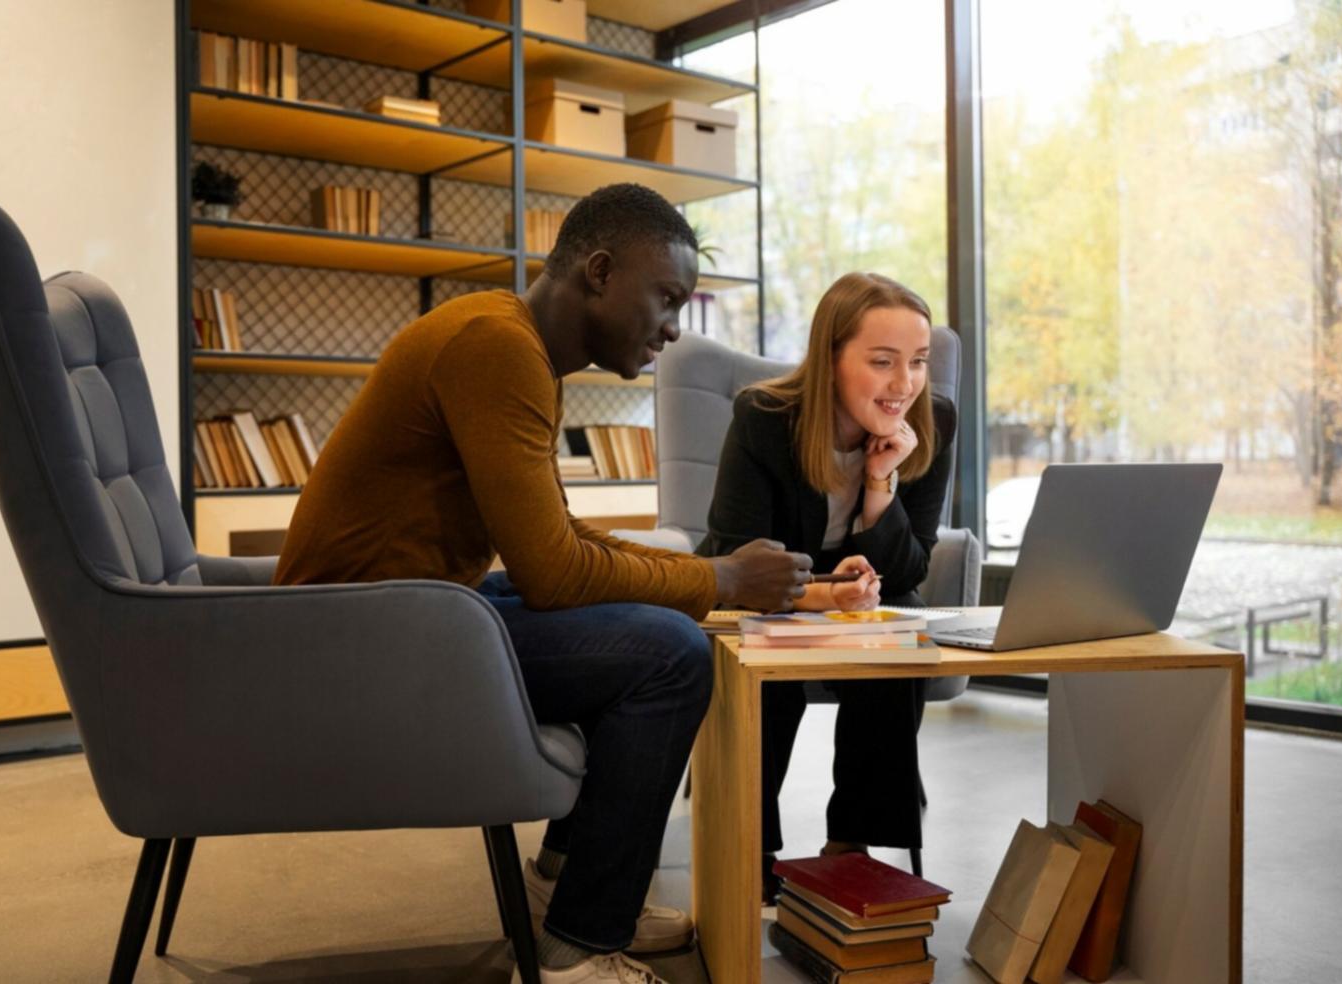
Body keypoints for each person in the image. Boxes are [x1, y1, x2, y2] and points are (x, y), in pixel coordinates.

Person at [274, 183, 809, 983]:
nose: (673, 327)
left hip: (408, 612)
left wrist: (701, 572)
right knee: (668, 655)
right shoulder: (496, 347)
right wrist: (721, 576)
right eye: (667, 299)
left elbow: (555, 540)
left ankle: (562, 882)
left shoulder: (515, 344)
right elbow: (555, 574)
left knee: (640, 616)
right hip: (362, 638)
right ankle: (582, 943)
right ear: (598, 272)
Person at [695, 271, 956, 904]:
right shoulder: (764, 418)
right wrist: (821, 596)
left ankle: (852, 843)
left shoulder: (931, 421)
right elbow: (738, 559)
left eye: (918, 362)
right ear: (831, 358)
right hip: (757, 594)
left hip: (860, 600)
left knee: (901, 635)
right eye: (882, 362)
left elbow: (911, 567)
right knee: (773, 654)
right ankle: (752, 842)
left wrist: (879, 485)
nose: (905, 384)